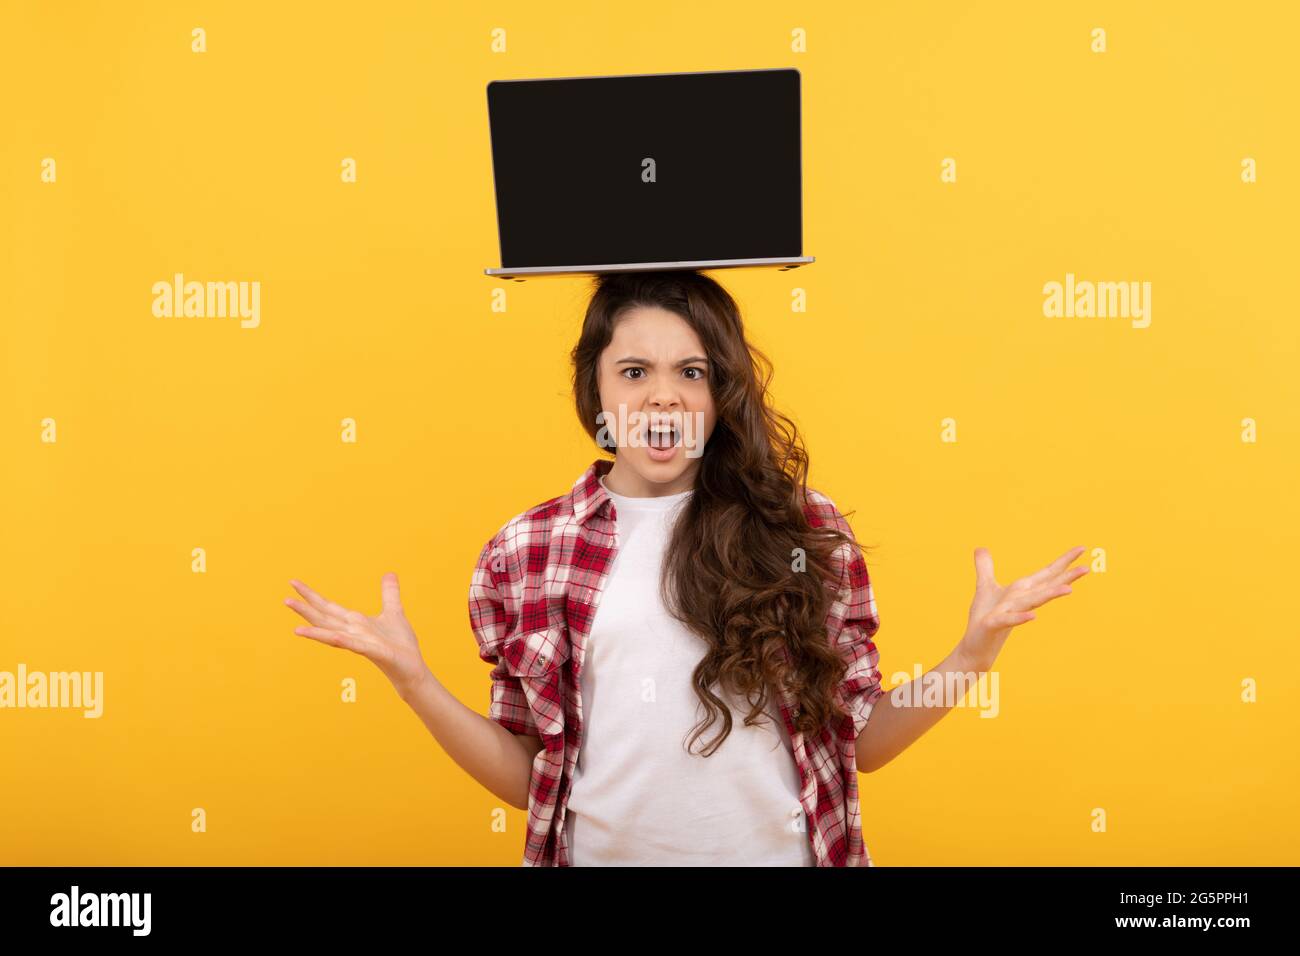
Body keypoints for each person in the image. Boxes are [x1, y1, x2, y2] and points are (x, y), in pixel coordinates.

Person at [283, 270, 1089, 866]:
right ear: (594, 390)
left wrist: (973, 655)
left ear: (721, 391)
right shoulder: (526, 552)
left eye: (690, 372)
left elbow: (863, 742)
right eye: (634, 372)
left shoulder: (802, 530)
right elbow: (535, 775)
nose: (661, 398)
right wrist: (414, 681)